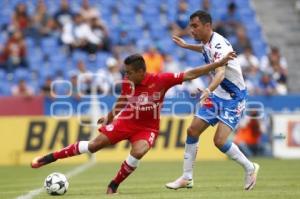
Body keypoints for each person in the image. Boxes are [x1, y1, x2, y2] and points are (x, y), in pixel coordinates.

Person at [30, 52, 236, 194]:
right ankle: (50, 158)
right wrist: (111, 116)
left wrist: (218, 64)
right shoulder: (129, 84)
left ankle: (113, 186)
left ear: (140, 72)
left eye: (128, 72)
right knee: (93, 146)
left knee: (139, 151)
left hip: (147, 128)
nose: (125, 76)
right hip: (125, 122)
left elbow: (191, 74)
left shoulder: (161, 80)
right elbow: (122, 100)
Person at [165, 10, 259, 191]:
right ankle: (187, 177)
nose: (191, 30)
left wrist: (208, 89)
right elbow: (204, 49)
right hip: (218, 95)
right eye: (191, 26)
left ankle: (250, 167)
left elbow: (220, 73)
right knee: (192, 130)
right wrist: (186, 46)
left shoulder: (219, 46)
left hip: (233, 98)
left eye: (195, 26)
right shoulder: (208, 41)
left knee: (220, 141)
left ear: (207, 26)